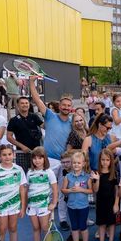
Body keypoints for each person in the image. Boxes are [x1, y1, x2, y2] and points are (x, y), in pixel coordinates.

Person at [29, 76, 73, 230]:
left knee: (61, 193)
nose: (66, 107)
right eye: (64, 105)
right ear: (59, 106)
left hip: (65, 163)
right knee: (46, 191)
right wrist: (31, 83)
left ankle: (62, 219)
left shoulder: (73, 122)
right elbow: (36, 99)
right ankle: (47, 218)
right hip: (49, 162)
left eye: (69, 105)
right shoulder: (50, 116)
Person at [0, 144, 27, 241]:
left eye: (9, 154)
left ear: (13, 155)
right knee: (2, 230)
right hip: (1, 207)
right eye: (4, 155)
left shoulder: (18, 169)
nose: (7, 157)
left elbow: (22, 189)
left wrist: (23, 207)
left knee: (13, 228)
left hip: (15, 206)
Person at [25, 146, 58, 241]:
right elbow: (27, 189)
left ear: (45, 159)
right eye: (34, 158)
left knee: (45, 227)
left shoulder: (49, 172)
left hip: (44, 205)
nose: (37, 160)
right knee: (35, 228)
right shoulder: (29, 172)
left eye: (40, 158)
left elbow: (54, 189)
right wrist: (25, 205)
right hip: (32, 206)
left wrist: (53, 203)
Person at [61, 151, 93, 241]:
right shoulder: (68, 176)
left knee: (83, 227)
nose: (76, 165)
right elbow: (63, 190)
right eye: (74, 162)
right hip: (71, 206)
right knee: (74, 227)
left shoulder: (87, 176)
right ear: (71, 163)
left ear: (83, 164)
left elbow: (91, 190)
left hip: (83, 206)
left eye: (79, 163)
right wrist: (69, 190)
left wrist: (81, 189)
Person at [6, 96, 44, 172]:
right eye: (22, 103)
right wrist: (22, 147)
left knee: (37, 173)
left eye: (26, 103)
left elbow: (44, 126)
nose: (25, 105)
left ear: (29, 104)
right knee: (22, 174)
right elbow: (9, 137)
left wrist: (48, 116)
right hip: (21, 153)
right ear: (18, 105)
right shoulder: (13, 120)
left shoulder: (34, 116)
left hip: (36, 153)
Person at [91, 148, 118, 241]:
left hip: (111, 202)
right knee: (101, 223)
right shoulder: (96, 173)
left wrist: (116, 204)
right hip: (100, 202)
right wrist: (97, 180)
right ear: (99, 160)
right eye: (103, 160)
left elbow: (117, 191)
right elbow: (95, 190)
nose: (105, 162)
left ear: (111, 160)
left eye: (107, 160)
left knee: (111, 223)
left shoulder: (114, 173)